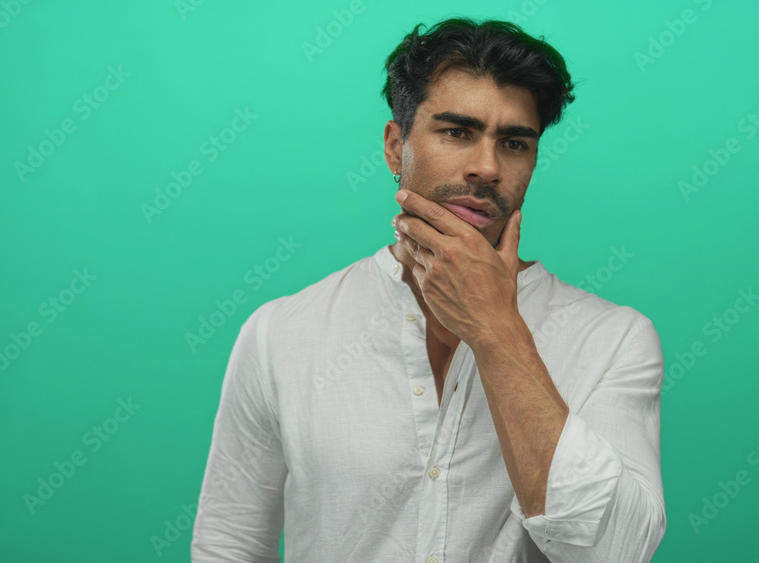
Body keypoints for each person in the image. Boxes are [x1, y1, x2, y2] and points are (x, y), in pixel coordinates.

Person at [192, 17, 665, 562]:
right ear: (396, 148)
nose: (486, 167)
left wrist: (497, 330)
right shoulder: (281, 332)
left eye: (514, 143)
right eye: (457, 132)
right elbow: (228, 545)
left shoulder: (614, 339)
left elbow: (615, 551)